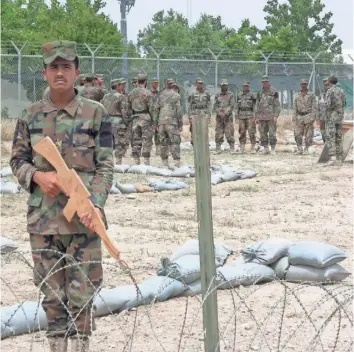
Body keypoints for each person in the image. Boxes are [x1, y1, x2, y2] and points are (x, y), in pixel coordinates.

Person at [10, 40, 114, 352]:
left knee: (83, 294)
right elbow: (17, 161)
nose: (59, 72)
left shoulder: (96, 114)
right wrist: (38, 176)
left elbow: (106, 165)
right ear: (44, 73)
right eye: (54, 66)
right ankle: (57, 346)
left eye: (66, 67)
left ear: (76, 72)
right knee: (52, 295)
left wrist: (93, 203)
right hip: (44, 221)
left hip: (84, 221)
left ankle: (81, 345)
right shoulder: (29, 116)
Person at [155, 78, 183, 168]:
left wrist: (156, 123)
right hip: (172, 122)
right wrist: (180, 123)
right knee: (175, 142)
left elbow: (156, 109)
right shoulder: (176, 95)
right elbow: (179, 111)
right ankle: (177, 164)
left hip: (161, 122)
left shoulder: (160, 95)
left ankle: (165, 164)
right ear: (174, 84)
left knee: (163, 143)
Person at [127, 73, 155, 165]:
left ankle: (136, 161)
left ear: (137, 81)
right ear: (145, 82)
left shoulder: (131, 93)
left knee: (136, 140)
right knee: (146, 140)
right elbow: (151, 108)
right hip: (145, 117)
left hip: (135, 118)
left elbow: (128, 108)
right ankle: (146, 161)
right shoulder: (148, 93)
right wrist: (154, 120)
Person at [102, 78, 130, 164]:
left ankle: (107, 161)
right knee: (119, 143)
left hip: (107, 122)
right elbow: (124, 111)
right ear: (117, 86)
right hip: (118, 122)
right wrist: (127, 123)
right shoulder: (121, 97)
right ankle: (118, 161)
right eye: (120, 85)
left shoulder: (105, 96)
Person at [323, 74, 346, 166]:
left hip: (331, 117)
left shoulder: (329, 91)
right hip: (339, 116)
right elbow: (344, 103)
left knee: (330, 136)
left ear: (330, 81)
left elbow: (328, 104)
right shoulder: (341, 91)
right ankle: (339, 159)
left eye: (327, 80)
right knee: (339, 136)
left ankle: (332, 158)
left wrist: (323, 103)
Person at [255, 75, 281, 154]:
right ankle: (266, 148)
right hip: (261, 117)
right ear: (262, 83)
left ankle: (273, 149)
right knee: (262, 133)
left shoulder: (274, 92)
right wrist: (256, 117)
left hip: (271, 117)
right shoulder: (259, 93)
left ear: (268, 82)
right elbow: (257, 105)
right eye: (263, 82)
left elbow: (277, 106)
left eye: (266, 81)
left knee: (272, 134)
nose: (264, 83)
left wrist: (276, 116)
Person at [292, 79, 317, 155]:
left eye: (305, 84)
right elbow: (295, 107)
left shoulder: (311, 95)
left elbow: (314, 107)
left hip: (308, 116)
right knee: (297, 134)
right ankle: (300, 149)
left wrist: (313, 117)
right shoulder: (297, 95)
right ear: (300, 85)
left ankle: (306, 149)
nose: (304, 85)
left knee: (308, 135)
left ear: (307, 85)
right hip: (299, 117)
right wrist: (294, 116)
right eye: (302, 84)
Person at [212, 79, 235, 153]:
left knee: (229, 132)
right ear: (220, 86)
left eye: (225, 85)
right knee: (219, 132)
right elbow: (215, 106)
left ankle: (232, 148)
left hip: (228, 118)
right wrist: (219, 113)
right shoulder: (217, 95)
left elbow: (231, 105)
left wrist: (225, 113)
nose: (224, 87)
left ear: (227, 86)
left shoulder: (231, 95)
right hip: (219, 118)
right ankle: (218, 148)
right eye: (223, 85)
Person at [235, 81, 257, 153]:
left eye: (247, 86)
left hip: (250, 115)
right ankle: (242, 147)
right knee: (242, 131)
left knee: (251, 131)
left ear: (248, 87)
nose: (245, 87)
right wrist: (236, 116)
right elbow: (237, 107)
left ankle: (253, 147)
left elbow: (254, 106)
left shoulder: (252, 95)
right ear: (242, 87)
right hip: (241, 115)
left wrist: (255, 116)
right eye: (244, 86)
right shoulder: (239, 95)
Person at [188, 78, 211, 146]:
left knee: (204, 128)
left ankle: (205, 141)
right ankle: (194, 141)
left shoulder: (206, 93)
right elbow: (189, 105)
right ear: (196, 84)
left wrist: (209, 114)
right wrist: (189, 116)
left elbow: (209, 104)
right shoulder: (192, 93)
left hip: (204, 112)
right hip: (195, 113)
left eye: (201, 83)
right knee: (194, 128)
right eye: (199, 83)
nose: (200, 85)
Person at [150, 77, 161, 156]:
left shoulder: (159, 94)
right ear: (152, 83)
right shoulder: (148, 93)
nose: (156, 84)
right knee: (149, 134)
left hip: (157, 115)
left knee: (158, 133)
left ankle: (158, 150)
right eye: (155, 83)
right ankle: (148, 150)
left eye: (157, 83)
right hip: (150, 115)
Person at [317, 78, 329, 143]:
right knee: (323, 132)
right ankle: (325, 143)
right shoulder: (321, 95)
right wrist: (317, 118)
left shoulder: (333, 94)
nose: (326, 86)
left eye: (327, 84)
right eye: (325, 85)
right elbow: (318, 107)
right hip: (322, 118)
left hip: (330, 118)